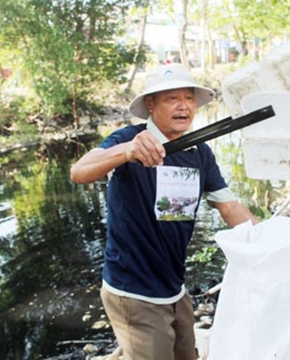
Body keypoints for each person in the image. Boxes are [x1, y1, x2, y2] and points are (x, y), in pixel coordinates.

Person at [70, 63, 258, 359]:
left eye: (189, 98)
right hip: (133, 290)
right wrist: (127, 153)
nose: (184, 106)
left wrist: (269, 240)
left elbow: (231, 207)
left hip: (173, 285)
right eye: (172, 98)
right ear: (151, 103)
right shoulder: (127, 140)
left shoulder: (200, 153)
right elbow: (79, 172)